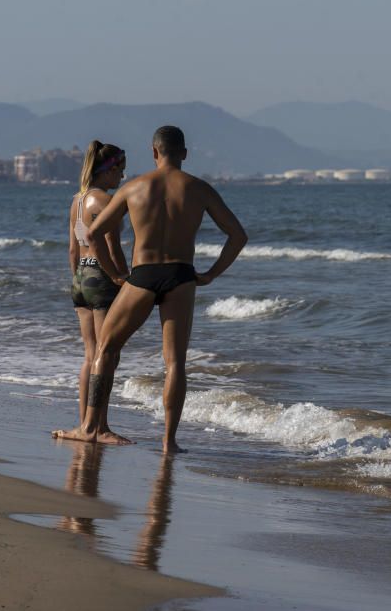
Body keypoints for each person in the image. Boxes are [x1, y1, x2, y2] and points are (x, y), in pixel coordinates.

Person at [76, 125, 247, 453]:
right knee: (174, 363)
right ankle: (169, 442)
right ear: (183, 153)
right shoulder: (200, 189)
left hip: (143, 274)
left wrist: (116, 275)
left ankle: (90, 428)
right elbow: (238, 236)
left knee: (105, 350)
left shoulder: (134, 188)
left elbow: (94, 234)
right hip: (181, 276)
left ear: (154, 152)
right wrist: (211, 273)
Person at [53, 141, 130, 445]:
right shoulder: (104, 201)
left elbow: (74, 248)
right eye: (119, 171)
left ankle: (84, 423)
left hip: (81, 278)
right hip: (101, 277)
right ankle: (99, 426)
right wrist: (121, 277)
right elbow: (110, 248)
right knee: (107, 355)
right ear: (108, 170)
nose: (121, 178)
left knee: (90, 355)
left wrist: (78, 279)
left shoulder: (77, 200)